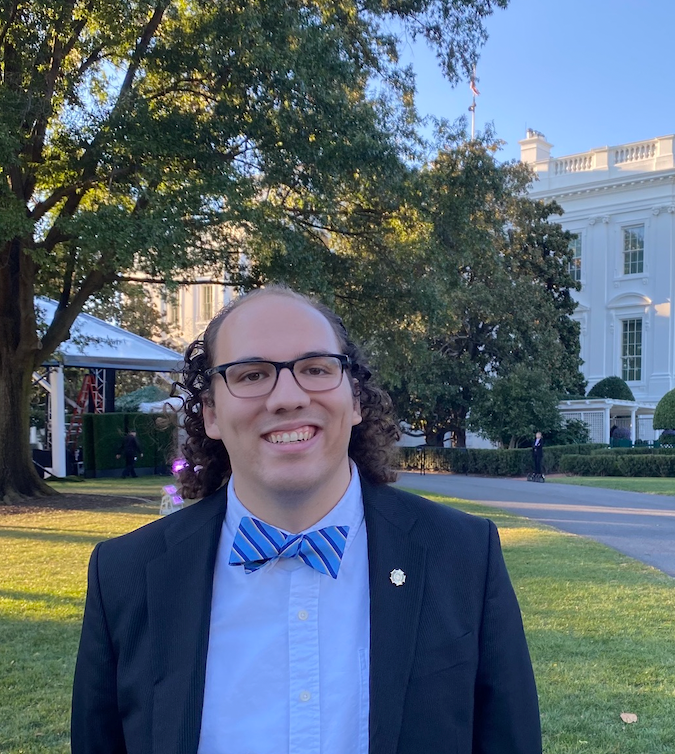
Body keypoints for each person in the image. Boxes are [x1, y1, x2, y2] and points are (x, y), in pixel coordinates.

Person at [71, 285, 541, 754]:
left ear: (355, 399)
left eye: (315, 369)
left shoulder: (462, 556)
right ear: (211, 412)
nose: (288, 397)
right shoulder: (125, 575)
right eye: (252, 375)